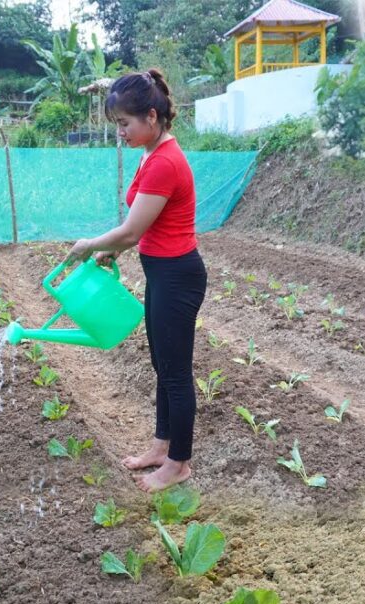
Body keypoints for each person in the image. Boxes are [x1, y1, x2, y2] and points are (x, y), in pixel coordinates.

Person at [64, 70, 206, 493]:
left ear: (151, 116)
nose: (121, 132)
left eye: (125, 124)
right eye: (117, 125)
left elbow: (130, 229)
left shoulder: (164, 161)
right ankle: (162, 447)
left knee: (176, 372)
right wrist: (116, 251)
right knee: (162, 365)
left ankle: (178, 463)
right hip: (162, 272)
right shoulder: (152, 152)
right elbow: (146, 227)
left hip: (178, 276)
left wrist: (92, 245)